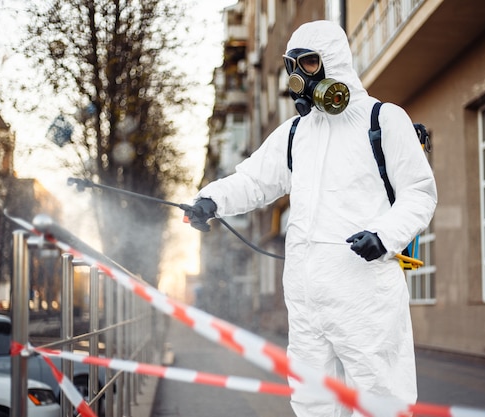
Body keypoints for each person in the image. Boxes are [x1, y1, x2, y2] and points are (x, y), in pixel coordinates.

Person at [184, 20, 437, 416]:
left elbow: (419, 192)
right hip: (305, 298)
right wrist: (210, 200)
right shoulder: (295, 133)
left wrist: (384, 236)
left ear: (333, 62)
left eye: (309, 63)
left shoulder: (383, 120)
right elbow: (253, 180)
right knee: (311, 399)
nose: (299, 76)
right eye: (292, 66)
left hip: (364, 292)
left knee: (379, 397)